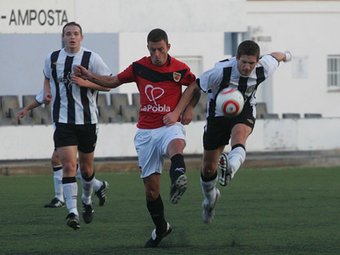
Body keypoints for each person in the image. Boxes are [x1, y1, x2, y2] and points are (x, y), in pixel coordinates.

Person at [72, 28, 200, 247]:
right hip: (145, 133)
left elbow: (195, 85)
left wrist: (185, 109)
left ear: (168, 47)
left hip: (169, 124)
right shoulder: (139, 67)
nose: (157, 54)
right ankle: (161, 228)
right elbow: (113, 82)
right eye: (153, 50)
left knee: (176, 144)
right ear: (148, 48)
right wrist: (90, 76)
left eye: (160, 49)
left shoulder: (180, 68)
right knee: (151, 192)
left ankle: (178, 175)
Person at [195, 40, 291, 224]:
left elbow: (276, 56)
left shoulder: (264, 67)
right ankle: (210, 199)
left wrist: (287, 55)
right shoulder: (220, 72)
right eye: (244, 62)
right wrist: (185, 110)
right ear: (237, 58)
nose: (247, 67)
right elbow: (195, 86)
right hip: (217, 116)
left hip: (244, 109)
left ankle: (230, 167)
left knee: (239, 136)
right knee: (208, 168)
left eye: (251, 63)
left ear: (257, 61)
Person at [42, 21, 112, 230]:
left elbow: (109, 84)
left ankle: (87, 201)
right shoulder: (52, 58)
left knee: (87, 169)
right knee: (69, 166)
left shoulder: (92, 58)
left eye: (75, 34)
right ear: (63, 37)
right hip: (63, 121)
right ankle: (72, 212)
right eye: (68, 34)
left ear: (82, 37)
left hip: (87, 121)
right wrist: (46, 91)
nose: (72, 37)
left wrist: (86, 83)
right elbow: (46, 75)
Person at [16, 89, 109, 209]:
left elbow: (106, 83)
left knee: (66, 162)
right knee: (63, 162)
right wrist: (27, 109)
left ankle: (70, 197)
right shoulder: (56, 78)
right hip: (63, 126)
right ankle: (94, 186)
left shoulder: (78, 78)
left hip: (83, 125)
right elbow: (44, 96)